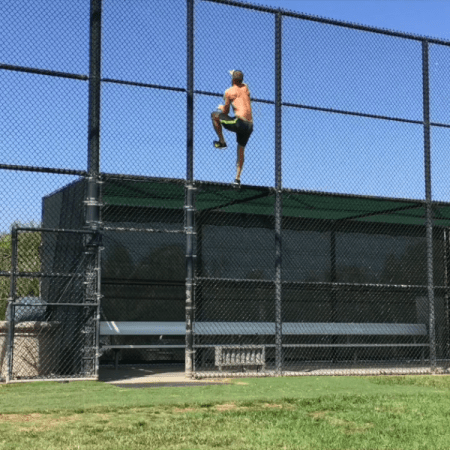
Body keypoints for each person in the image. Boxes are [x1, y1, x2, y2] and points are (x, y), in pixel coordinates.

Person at [211, 70, 254, 186]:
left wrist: (221, 107)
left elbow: (226, 112)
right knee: (241, 150)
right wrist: (234, 74)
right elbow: (240, 81)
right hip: (249, 125)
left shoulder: (229, 92)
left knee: (214, 116)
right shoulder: (245, 88)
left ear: (233, 80)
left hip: (239, 122)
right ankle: (237, 179)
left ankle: (222, 142)